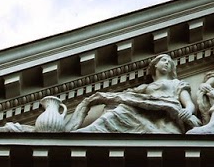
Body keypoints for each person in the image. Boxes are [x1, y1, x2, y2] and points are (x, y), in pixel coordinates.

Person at [69, 54, 197, 135]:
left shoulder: (176, 83)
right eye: (164, 60)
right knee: (120, 109)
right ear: (155, 65)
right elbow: (127, 96)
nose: (167, 63)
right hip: (145, 112)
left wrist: (188, 110)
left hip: (166, 116)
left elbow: (189, 103)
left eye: (170, 63)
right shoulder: (145, 88)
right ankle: (91, 131)